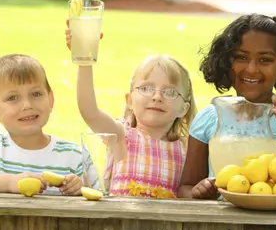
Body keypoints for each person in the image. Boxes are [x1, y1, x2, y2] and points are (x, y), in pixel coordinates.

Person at [177, 14, 276, 199]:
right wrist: (198, 193)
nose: (251, 69)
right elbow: (185, 187)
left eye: (265, 60)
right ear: (226, 61)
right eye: (241, 57)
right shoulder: (210, 118)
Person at [0, 54, 98, 195]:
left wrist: (80, 188)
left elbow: (98, 194)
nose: (27, 105)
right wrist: (10, 183)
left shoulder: (74, 156)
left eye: (36, 94)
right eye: (12, 98)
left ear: (50, 99)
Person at [70, 40, 197, 198]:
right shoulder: (120, 136)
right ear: (129, 100)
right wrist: (85, 61)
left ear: (183, 109)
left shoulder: (186, 149)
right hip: (119, 222)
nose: (157, 97)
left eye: (170, 92)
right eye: (146, 88)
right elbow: (89, 112)